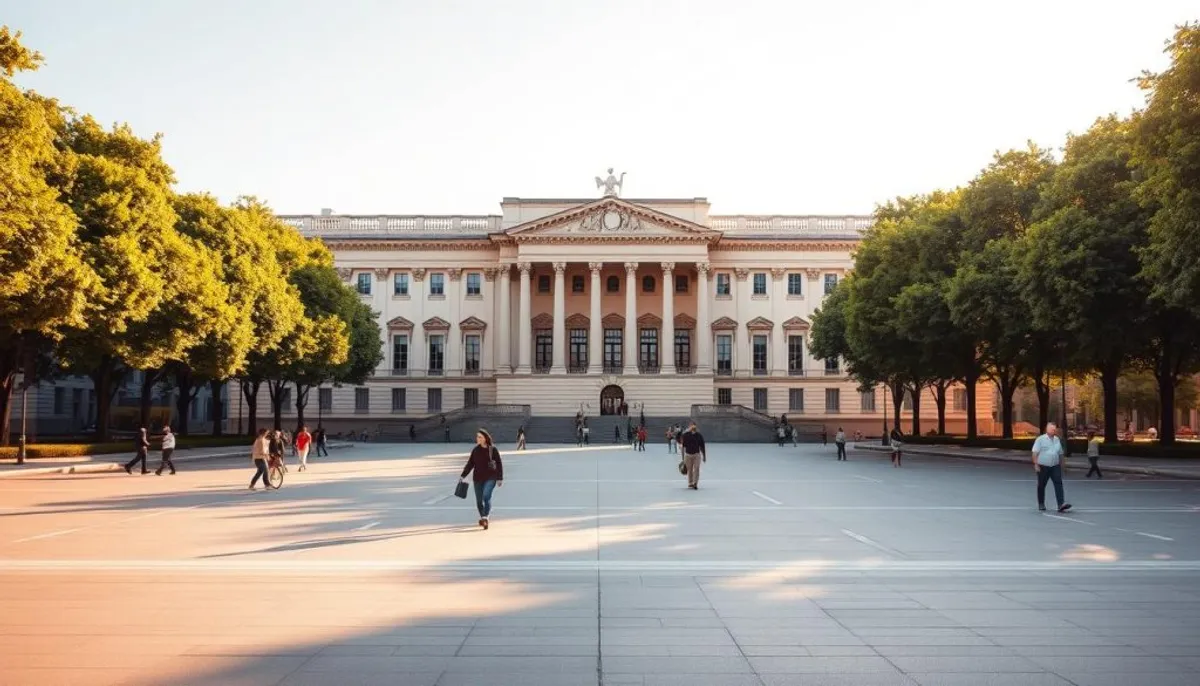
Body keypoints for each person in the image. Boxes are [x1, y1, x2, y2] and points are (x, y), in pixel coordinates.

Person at [459, 429, 503, 530]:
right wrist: (463, 475)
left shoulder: (493, 449)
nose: (477, 439)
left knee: (486, 496)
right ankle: (483, 518)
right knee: (479, 501)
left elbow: (499, 464)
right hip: (477, 478)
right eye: (477, 436)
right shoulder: (475, 450)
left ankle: (485, 517)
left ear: (485, 438)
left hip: (491, 477)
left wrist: (500, 478)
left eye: (480, 437)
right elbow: (470, 464)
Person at [1032, 422, 1072, 513]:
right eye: (1051, 429)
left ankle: (1061, 504)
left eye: (1054, 429)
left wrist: (1063, 466)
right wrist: (1036, 464)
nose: (1053, 431)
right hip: (1043, 466)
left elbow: (1060, 453)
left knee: (1058, 483)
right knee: (1041, 485)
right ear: (1047, 429)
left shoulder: (1057, 439)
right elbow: (1035, 453)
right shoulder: (1040, 439)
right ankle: (1041, 503)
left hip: (1055, 466)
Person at [679, 422, 707, 490]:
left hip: (696, 455)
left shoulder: (699, 435)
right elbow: (683, 447)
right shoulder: (685, 435)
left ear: (696, 427)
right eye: (691, 425)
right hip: (688, 455)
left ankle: (695, 483)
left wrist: (704, 456)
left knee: (697, 468)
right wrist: (683, 458)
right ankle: (690, 483)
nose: (693, 427)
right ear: (689, 427)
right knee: (689, 469)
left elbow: (702, 446)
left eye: (694, 425)